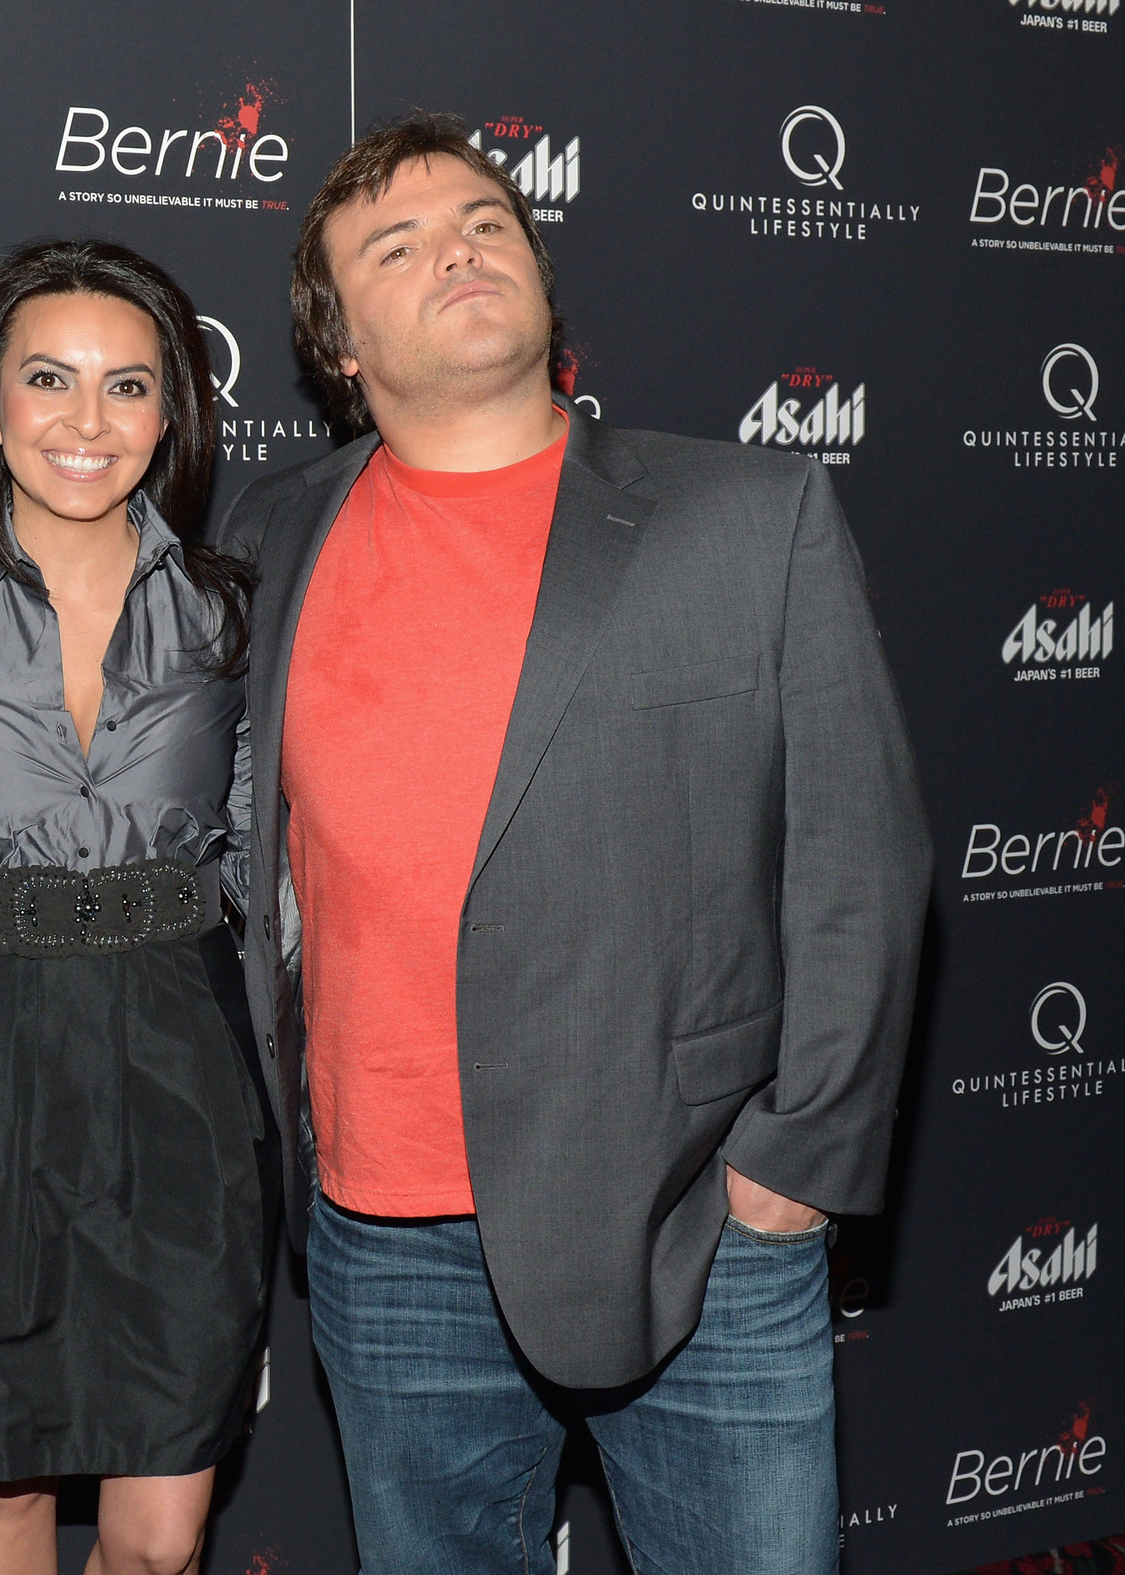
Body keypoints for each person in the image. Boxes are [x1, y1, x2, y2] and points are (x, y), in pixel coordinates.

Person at [216, 113, 932, 1575]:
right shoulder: (273, 529)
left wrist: (794, 1166)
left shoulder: (746, 512)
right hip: (385, 1233)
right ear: (338, 347)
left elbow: (863, 861)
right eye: (396, 247)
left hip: (690, 1222)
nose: (459, 250)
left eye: (486, 221)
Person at [0, 240, 275, 1575]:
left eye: (127, 387)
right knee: (7, 1497)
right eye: (48, 380)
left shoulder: (230, 614)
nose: (84, 423)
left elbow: (278, 845)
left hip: (183, 1062)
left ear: (170, 417)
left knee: (160, 1544)